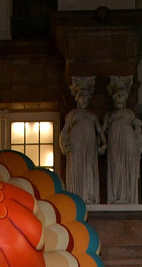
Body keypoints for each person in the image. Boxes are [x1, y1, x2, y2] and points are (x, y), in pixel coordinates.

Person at [59, 76, 106, 206]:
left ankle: (89, 196)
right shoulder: (73, 114)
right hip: (77, 145)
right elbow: (65, 131)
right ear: (78, 98)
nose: (84, 100)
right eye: (82, 97)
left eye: (86, 97)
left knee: (89, 168)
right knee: (77, 168)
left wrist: (104, 143)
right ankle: (77, 196)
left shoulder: (92, 116)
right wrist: (64, 143)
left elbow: (100, 131)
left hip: (89, 145)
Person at [103, 75, 142, 205]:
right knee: (116, 166)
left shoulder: (130, 114)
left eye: (122, 95)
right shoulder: (109, 115)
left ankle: (127, 196)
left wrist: (138, 130)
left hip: (127, 139)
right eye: (117, 95)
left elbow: (137, 131)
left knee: (127, 165)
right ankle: (116, 196)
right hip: (114, 140)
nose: (119, 97)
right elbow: (102, 132)